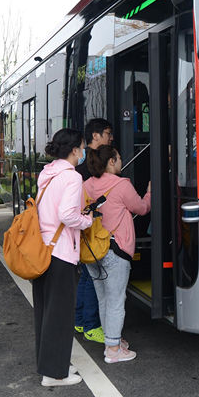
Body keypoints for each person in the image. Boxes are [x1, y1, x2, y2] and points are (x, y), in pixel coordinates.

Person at [33, 128, 93, 387]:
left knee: (46, 314)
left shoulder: (47, 174)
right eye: (82, 147)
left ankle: (50, 366)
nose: (84, 152)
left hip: (42, 251)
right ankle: (54, 374)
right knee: (60, 316)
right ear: (74, 150)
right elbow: (68, 215)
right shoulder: (72, 178)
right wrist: (87, 220)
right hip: (61, 253)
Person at [83, 145, 150, 363]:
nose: (121, 161)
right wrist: (150, 192)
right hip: (115, 250)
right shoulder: (122, 185)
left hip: (92, 250)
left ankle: (112, 340)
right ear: (111, 162)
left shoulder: (86, 185)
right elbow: (141, 208)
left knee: (103, 298)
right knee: (116, 300)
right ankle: (113, 351)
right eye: (119, 158)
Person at [73, 118, 114, 343]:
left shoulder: (85, 160)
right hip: (90, 225)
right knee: (92, 276)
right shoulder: (89, 164)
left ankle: (80, 321)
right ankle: (91, 325)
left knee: (86, 276)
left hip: (85, 226)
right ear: (95, 136)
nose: (110, 137)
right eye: (107, 133)